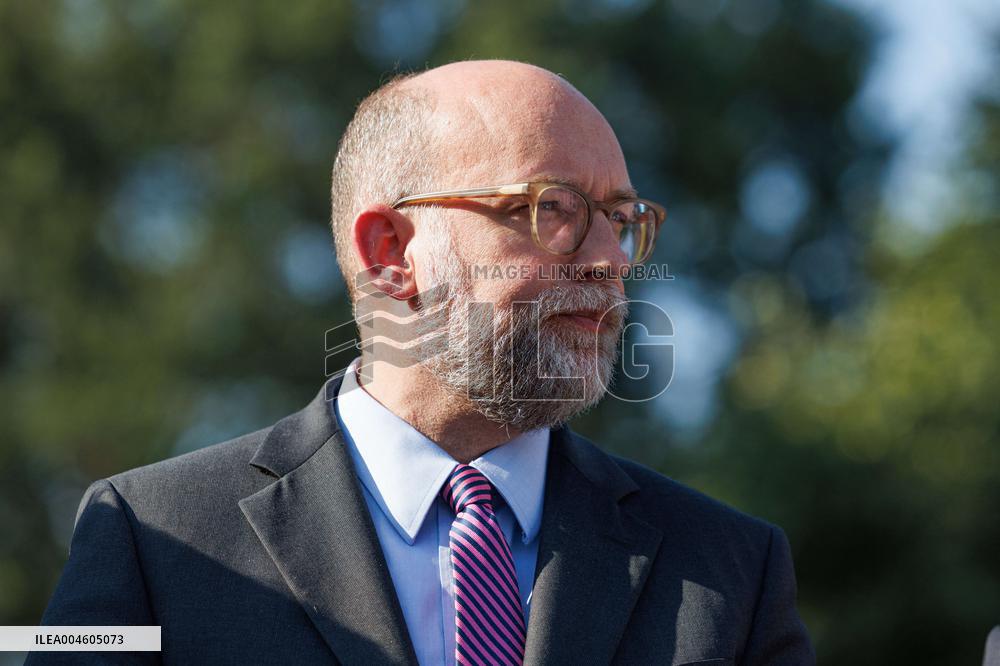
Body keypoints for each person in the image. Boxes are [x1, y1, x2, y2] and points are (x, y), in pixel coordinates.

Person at [30, 60, 815, 665]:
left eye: (621, 219)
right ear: (391, 252)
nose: (610, 259)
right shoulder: (153, 541)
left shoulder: (730, 571)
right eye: (554, 210)